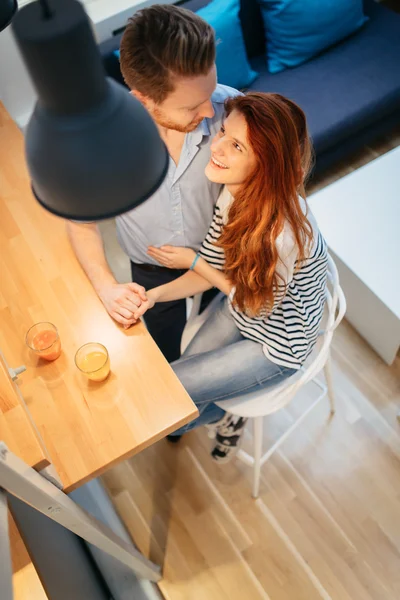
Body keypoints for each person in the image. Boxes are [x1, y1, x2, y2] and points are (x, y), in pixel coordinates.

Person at [134, 92, 329, 463]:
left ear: (266, 166)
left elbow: (254, 305)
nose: (217, 148)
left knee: (171, 412)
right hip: (239, 306)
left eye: (236, 145)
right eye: (223, 132)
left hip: (277, 343)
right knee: (173, 394)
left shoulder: (282, 236)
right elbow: (211, 267)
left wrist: (194, 263)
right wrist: (154, 296)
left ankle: (229, 414)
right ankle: (226, 404)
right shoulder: (233, 195)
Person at [66, 5, 238, 362]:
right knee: (164, 350)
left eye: (211, 90)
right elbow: (81, 224)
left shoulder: (232, 112)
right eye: (191, 106)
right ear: (143, 99)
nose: (210, 112)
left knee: (215, 341)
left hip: (221, 257)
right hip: (150, 269)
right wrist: (106, 287)